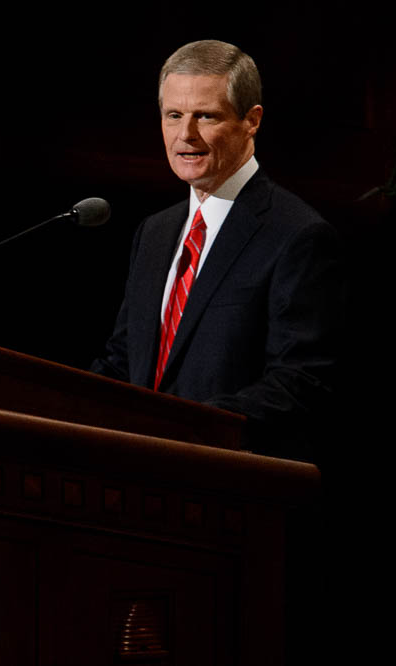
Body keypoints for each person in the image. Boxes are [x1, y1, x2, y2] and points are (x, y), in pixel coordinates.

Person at [91, 39, 342, 461]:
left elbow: (299, 382)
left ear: (252, 121)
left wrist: (186, 432)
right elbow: (124, 360)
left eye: (205, 116)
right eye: (173, 115)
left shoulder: (297, 235)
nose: (185, 135)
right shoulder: (154, 232)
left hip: (224, 483)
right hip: (132, 477)